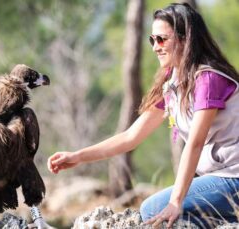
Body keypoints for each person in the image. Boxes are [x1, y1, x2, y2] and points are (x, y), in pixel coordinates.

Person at [48, 3, 239, 228]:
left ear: (185, 39)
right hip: (220, 178)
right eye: (152, 40)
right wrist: (78, 156)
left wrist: (176, 202)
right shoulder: (173, 83)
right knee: (157, 212)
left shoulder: (208, 79)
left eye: (161, 39)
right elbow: (131, 137)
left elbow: (195, 143)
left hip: (233, 179)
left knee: (155, 209)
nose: (155, 47)